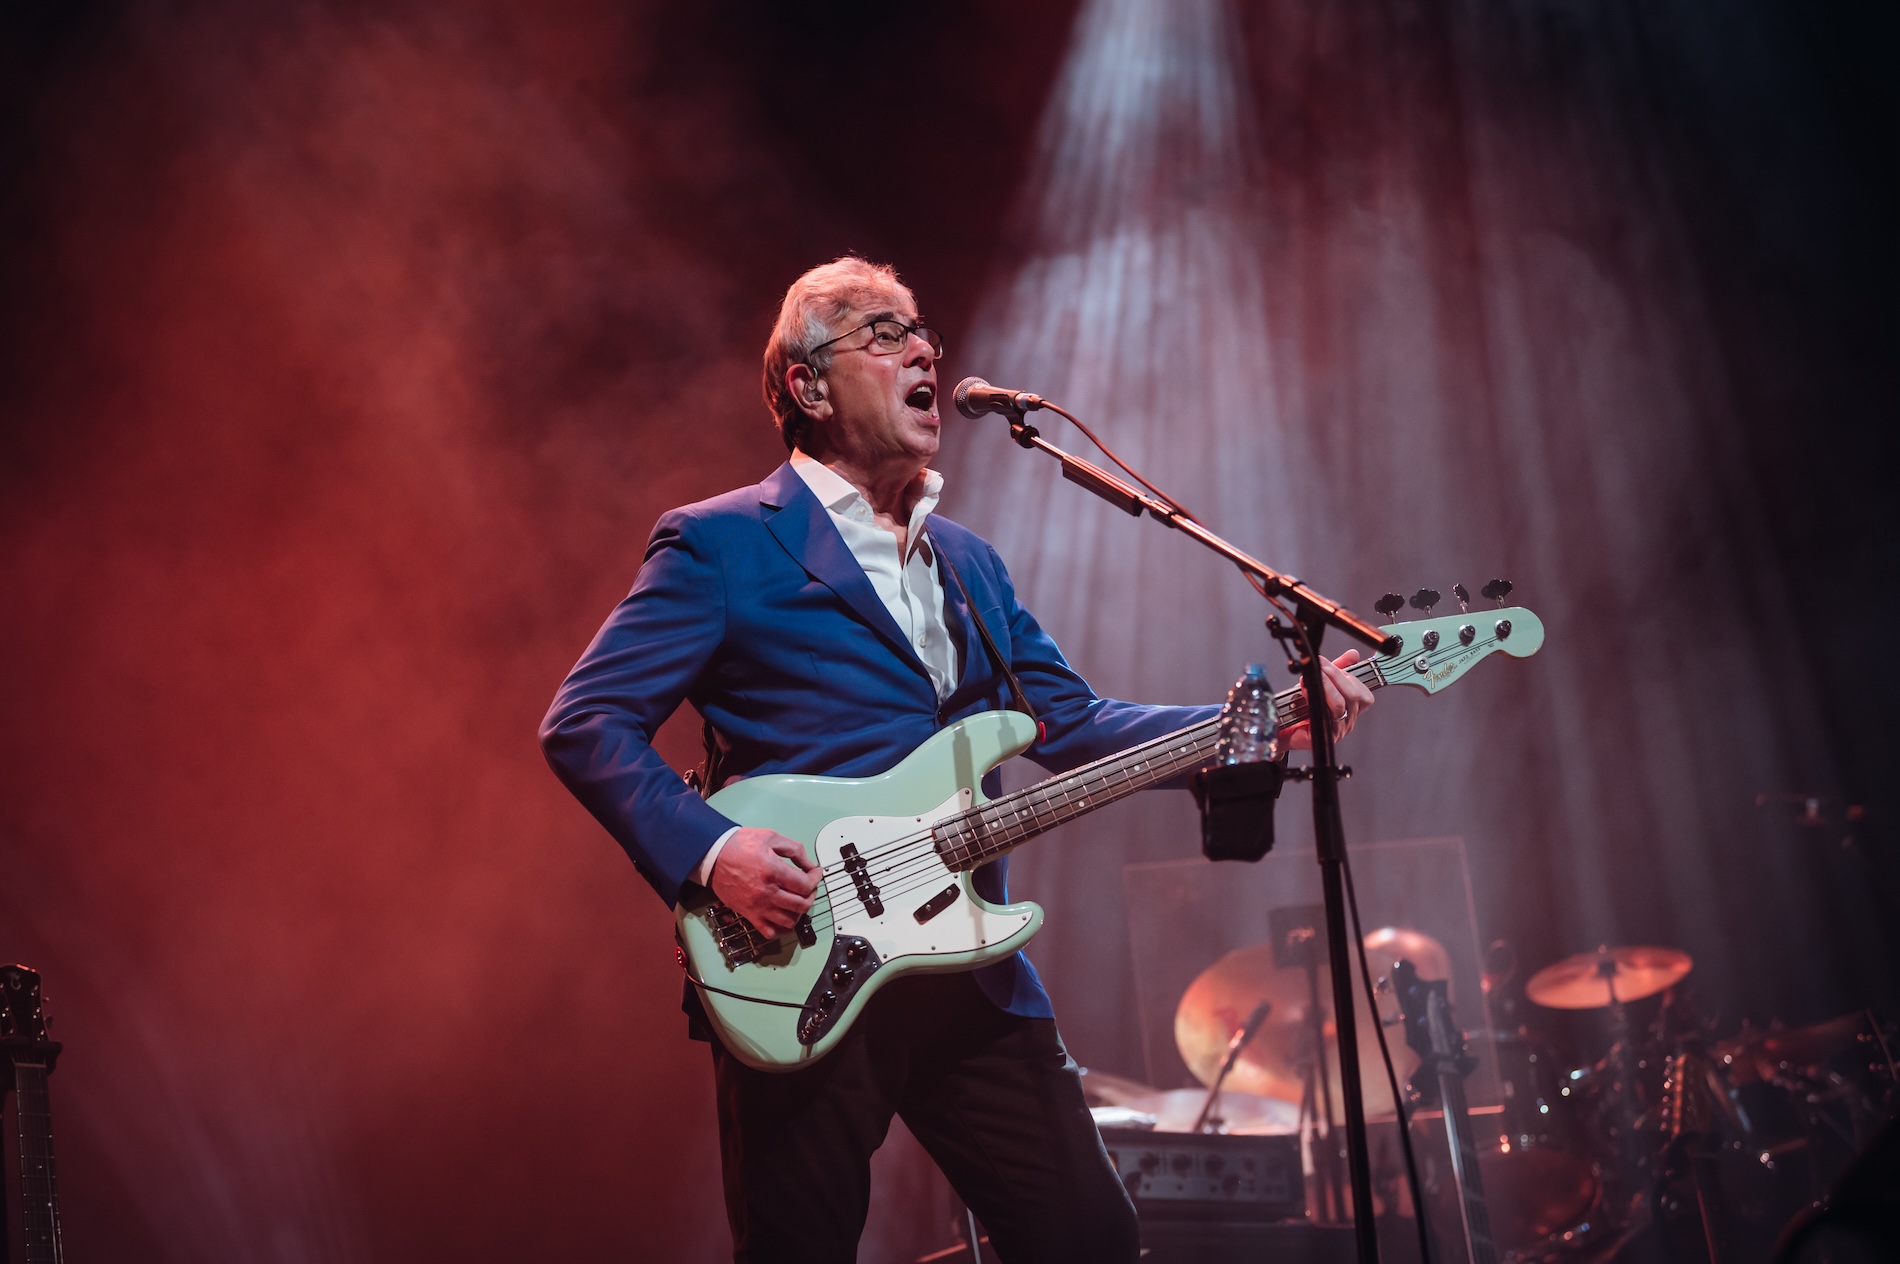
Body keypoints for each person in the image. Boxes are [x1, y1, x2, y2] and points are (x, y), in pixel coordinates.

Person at [540, 256, 1374, 1263]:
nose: (924, 352)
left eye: (922, 333)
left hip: (968, 966)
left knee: (1087, 1237)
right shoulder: (721, 543)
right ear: (808, 386)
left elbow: (1072, 723)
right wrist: (714, 855)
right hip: (801, 957)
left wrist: (1262, 722)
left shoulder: (969, 562)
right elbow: (586, 721)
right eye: (883, 334)